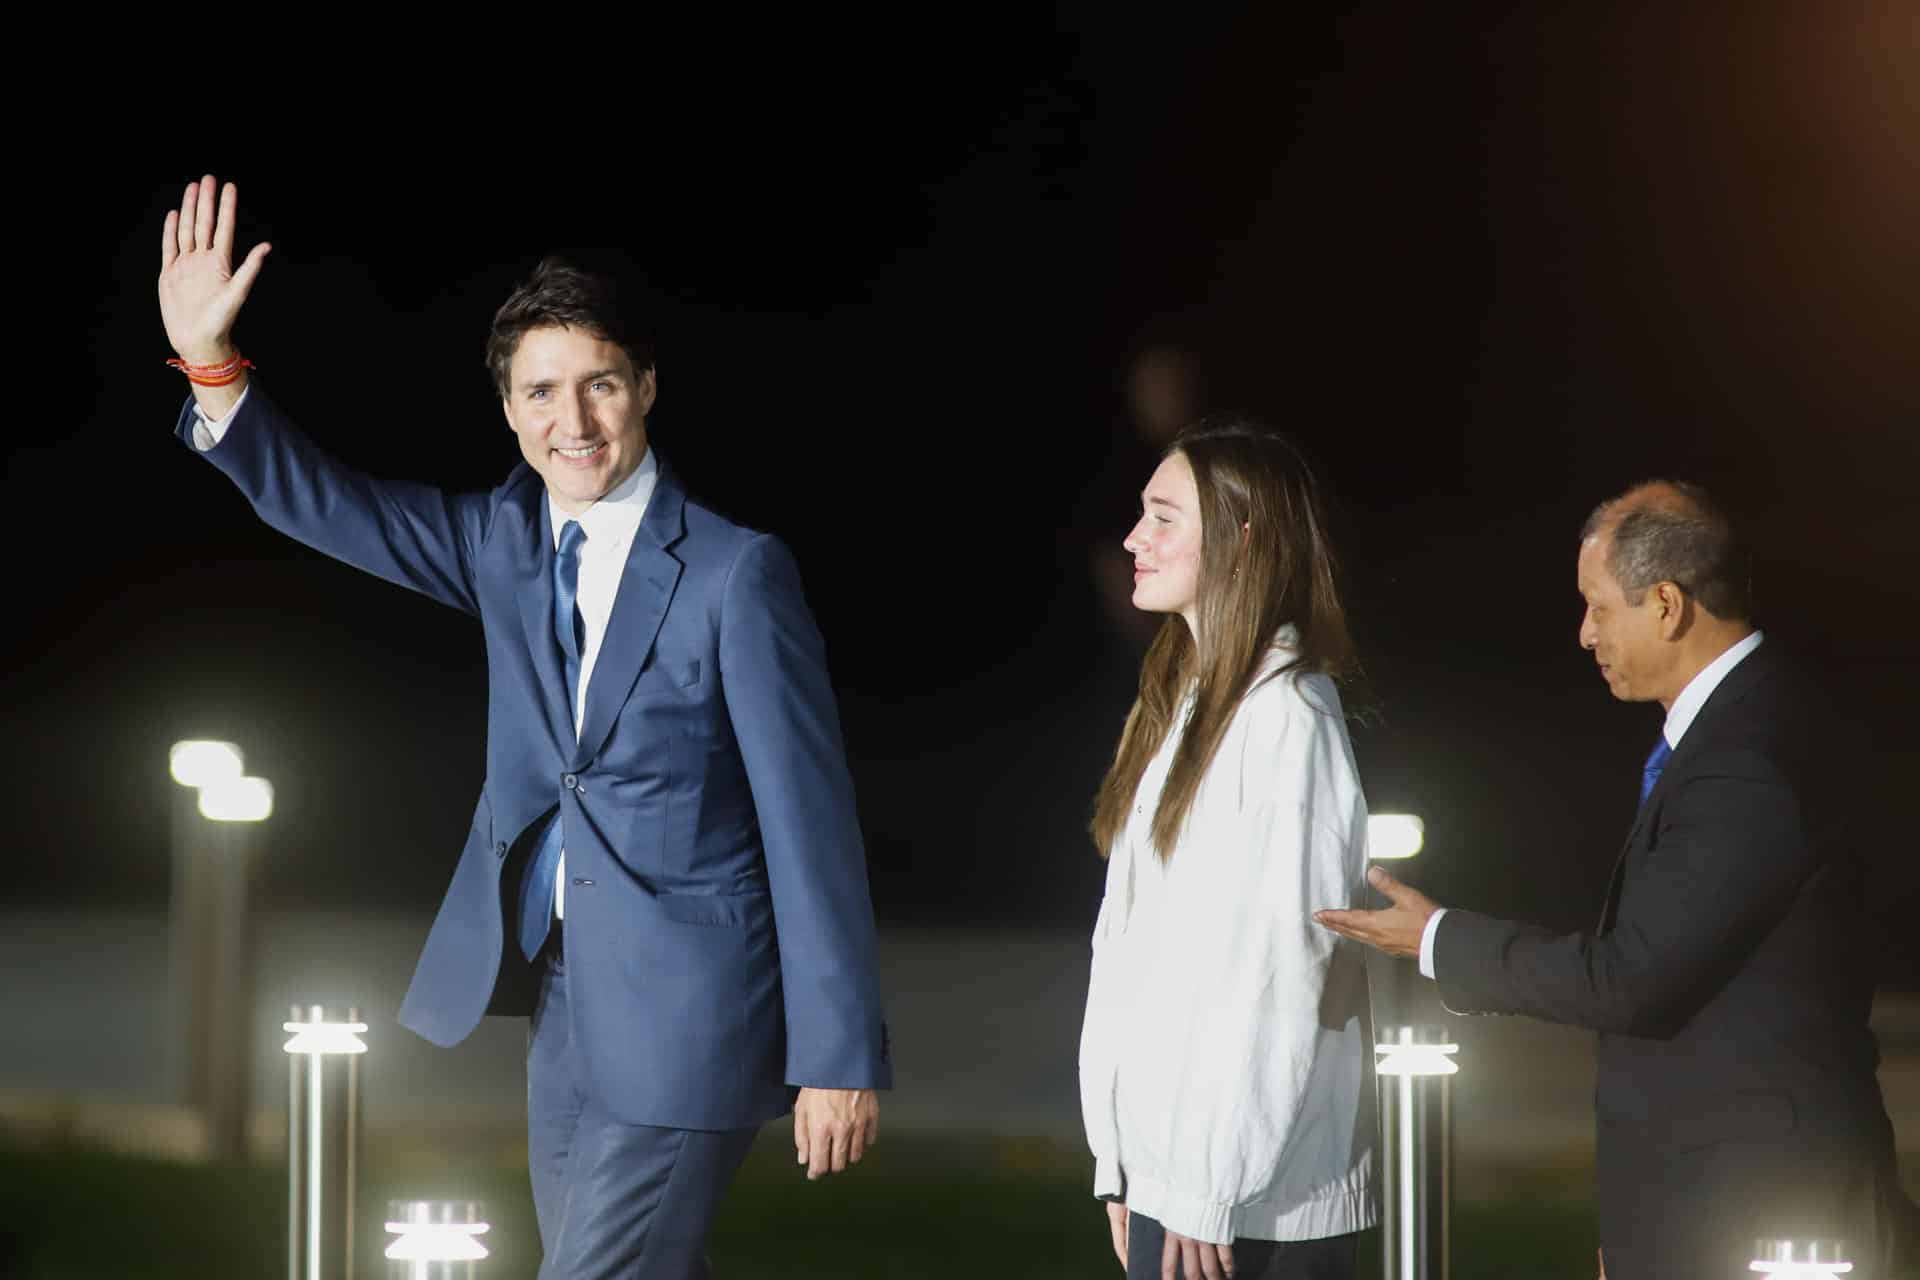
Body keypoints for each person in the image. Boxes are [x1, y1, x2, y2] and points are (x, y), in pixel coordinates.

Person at [156, 176, 890, 1279]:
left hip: (694, 1018)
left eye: (600, 384)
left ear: (645, 385)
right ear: (509, 410)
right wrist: (214, 368)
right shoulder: (501, 540)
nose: (573, 420)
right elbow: (330, 502)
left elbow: (811, 824)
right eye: (542, 392)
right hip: (561, 1010)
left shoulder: (738, 574)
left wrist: (838, 1052)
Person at [1315, 481, 1919, 1279]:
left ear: (1665, 604)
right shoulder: (1740, 729)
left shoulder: (1746, 760)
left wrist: (1435, 939)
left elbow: (1632, 979)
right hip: (1711, 1208)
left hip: (1766, 1217)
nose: (1584, 633)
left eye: (1598, 607)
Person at [1079, 419, 1377, 1280]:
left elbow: (1281, 963)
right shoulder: (1187, 697)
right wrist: (1125, 1164)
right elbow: (1133, 953)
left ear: (1243, 537)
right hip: (1176, 1183)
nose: (1136, 538)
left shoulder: (1286, 714)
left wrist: (1211, 1181)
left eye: (1164, 516)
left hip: (1246, 1204)